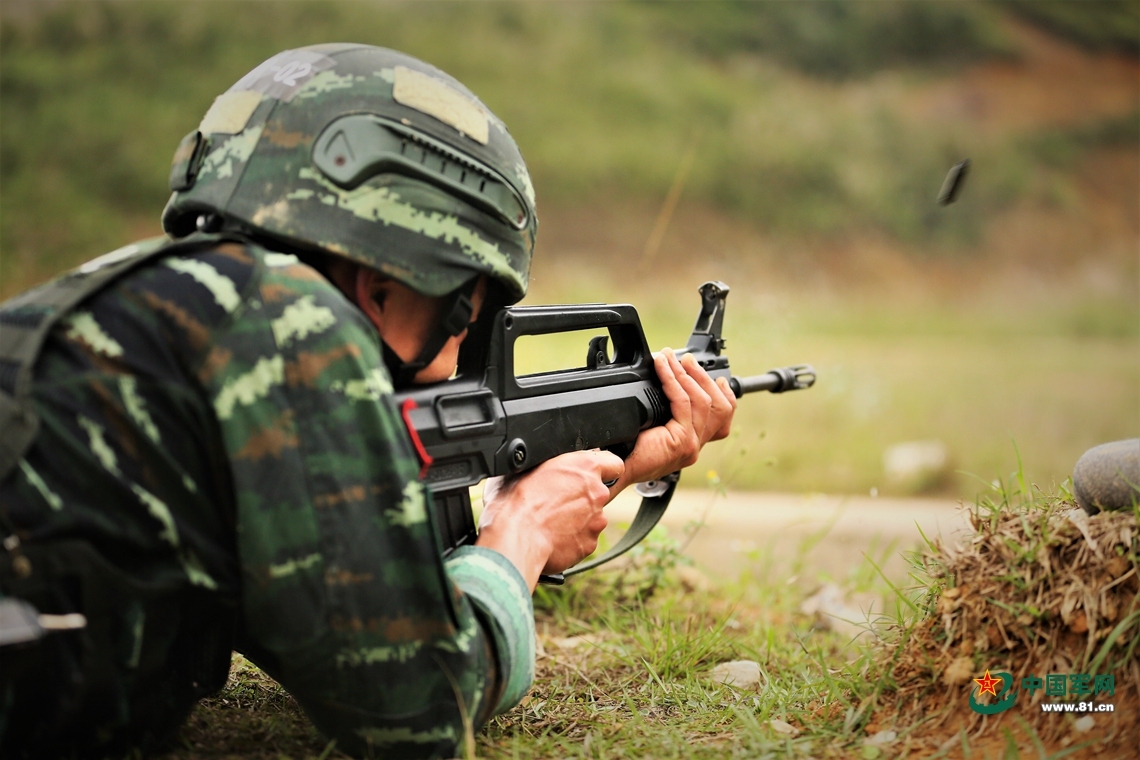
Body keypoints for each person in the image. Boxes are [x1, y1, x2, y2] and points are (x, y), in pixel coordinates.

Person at [0, 44, 736, 758]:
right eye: (463, 315)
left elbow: (327, 626)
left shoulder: (148, 301)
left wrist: (612, 461)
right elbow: (418, 712)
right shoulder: (292, 321)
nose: (455, 360)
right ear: (392, 277)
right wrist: (522, 532)